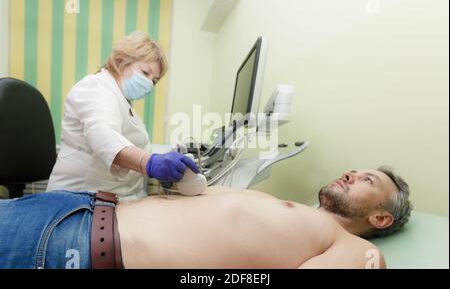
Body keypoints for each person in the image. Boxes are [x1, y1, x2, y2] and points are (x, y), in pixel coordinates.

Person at [0, 167, 412, 269]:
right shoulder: (298, 215)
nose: (350, 173)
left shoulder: (358, 249)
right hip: (74, 209)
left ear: (380, 218)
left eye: (366, 179)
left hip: (76, 247)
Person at [46, 31, 199, 201]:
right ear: (122, 61)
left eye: (154, 81)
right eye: (145, 73)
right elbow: (105, 138)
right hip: (79, 201)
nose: (149, 83)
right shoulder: (96, 87)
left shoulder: (122, 102)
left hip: (112, 199)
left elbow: (136, 148)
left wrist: (168, 163)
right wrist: (151, 163)